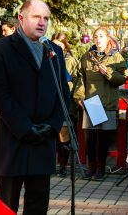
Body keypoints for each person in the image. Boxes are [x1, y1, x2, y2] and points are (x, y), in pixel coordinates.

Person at [0, 0, 70, 214]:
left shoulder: (54, 51)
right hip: (13, 141)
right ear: (21, 18)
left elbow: (63, 95)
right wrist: (25, 128)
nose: (42, 22)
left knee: (38, 205)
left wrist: (52, 127)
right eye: (36, 17)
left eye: (46, 18)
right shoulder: (0, 49)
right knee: (6, 205)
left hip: (43, 141)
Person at [74, 27, 128, 181]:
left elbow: (122, 79)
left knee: (103, 139)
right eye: (96, 36)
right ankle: (91, 168)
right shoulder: (87, 57)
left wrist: (109, 73)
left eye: (101, 36)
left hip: (107, 103)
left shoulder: (116, 57)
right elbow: (80, 78)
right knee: (90, 138)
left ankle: (101, 169)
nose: (98, 39)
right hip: (92, 103)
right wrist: (79, 96)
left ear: (107, 38)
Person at [51, 32, 79, 177]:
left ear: (65, 46)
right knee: (52, 136)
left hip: (66, 104)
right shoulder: (48, 58)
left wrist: (68, 84)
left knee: (64, 137)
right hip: (51, 104)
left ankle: (63, 165)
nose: (57, 48)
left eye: (60, 46)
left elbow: (77, 80)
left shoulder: (72, 61)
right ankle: (51, 165)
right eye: (54, 45)